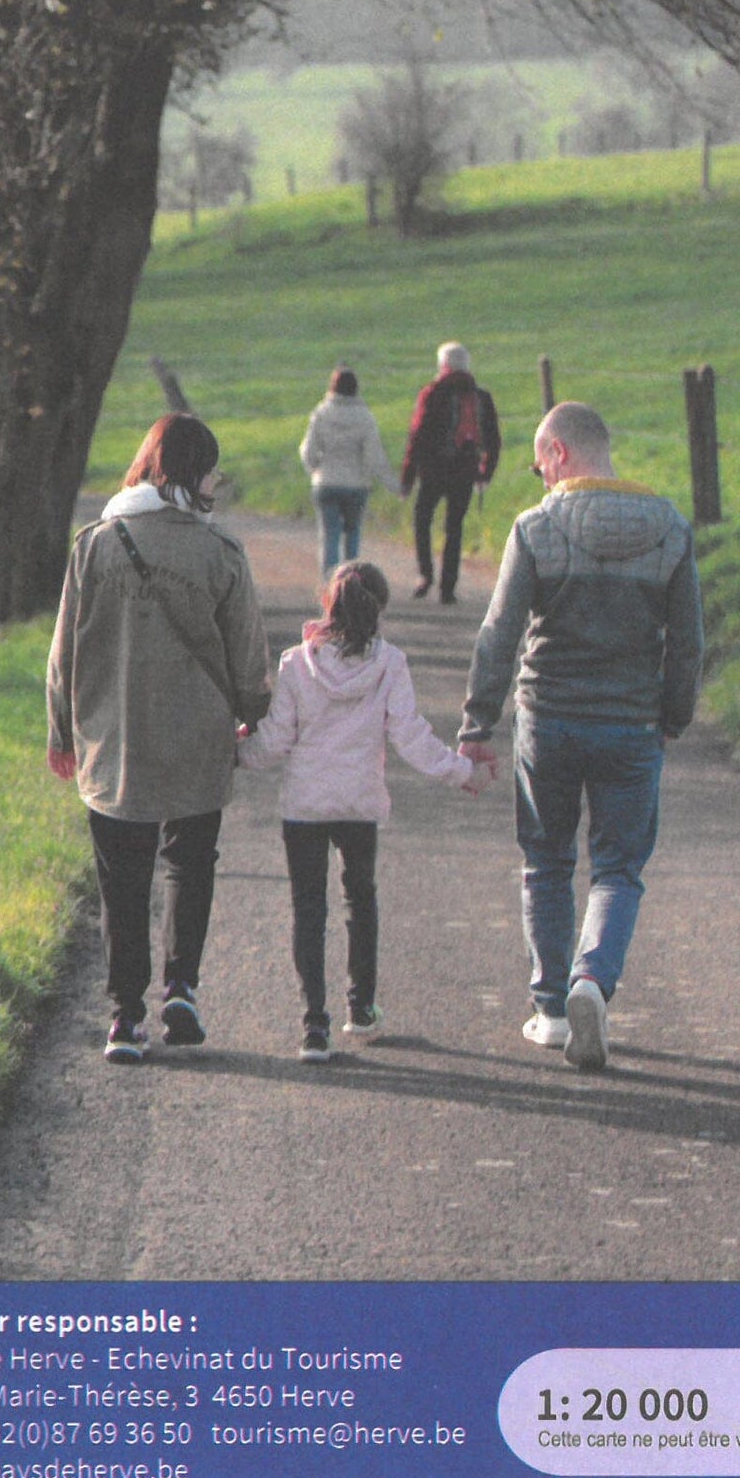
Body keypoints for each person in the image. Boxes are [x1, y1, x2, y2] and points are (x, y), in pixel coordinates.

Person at [457, 401, 703, 1073]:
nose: (540, 479)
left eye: (540, 466)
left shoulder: (536, 528)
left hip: (551, 717)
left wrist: (478, 724)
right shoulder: (671, 529)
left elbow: (499, 633)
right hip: (631, 722)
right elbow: (688, 641)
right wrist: (673, 716)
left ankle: (552, 1011)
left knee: (547, 861)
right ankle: (592, 980)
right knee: (618, 867)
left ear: (559, 452)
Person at [47, 413, 269, 1065]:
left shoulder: (94, 545)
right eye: (212, 473)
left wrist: (60, 730)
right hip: (198, 736)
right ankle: (181, 987)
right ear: (196, 474)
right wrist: (253, 715)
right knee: (190, 862)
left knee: (122, 878)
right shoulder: (220, 552)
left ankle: (124, 1017)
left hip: (113, 742)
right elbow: (248, 659)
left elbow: (63, 654)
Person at [240, 561, 490, 1062]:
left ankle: (314, 1026)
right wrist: (462, 772)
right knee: (360, 900)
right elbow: (411, 737)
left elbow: (275, 741)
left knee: (308, 910)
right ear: (379, 610)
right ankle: (361, 1007)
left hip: (306, 805)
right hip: (359, 802)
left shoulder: (296, 664)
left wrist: (235, 752)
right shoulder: (389, 664)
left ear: (327, 604)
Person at [400, 341, 501, 604]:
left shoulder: (432, 393)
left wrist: (408, 475)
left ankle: (425, 574)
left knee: (422, 519)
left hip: (433, 471)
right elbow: (493, 439)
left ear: (442, 365)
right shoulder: (481, 397)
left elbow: (417, 435)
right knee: (454, 527)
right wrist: (485, 472)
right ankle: (448, 587)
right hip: (465, 471)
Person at [299, 366, 400, 576]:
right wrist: (394, 486)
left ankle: (330, 582)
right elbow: (374, 457)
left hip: (326, 482)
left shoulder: (321, 413)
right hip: (356, 485)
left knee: (329, 536)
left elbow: (308, 451)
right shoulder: (365, 417)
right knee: (352, 534)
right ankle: (352, 580)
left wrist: (315, 470)